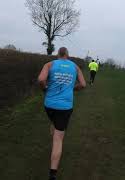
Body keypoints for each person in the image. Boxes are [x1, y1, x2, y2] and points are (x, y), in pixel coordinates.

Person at [38, 47, 86, 180]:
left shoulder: (50, 64)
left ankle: (54, 129)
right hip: (65, 106)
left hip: (49, 105)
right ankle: (52, 174)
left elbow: (41, 79)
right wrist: (73, 88)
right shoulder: (75, 66)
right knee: (58, 139)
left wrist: (45, 89)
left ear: (57, 54)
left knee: (54, 122)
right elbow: (83, 84)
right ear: (68, 55)